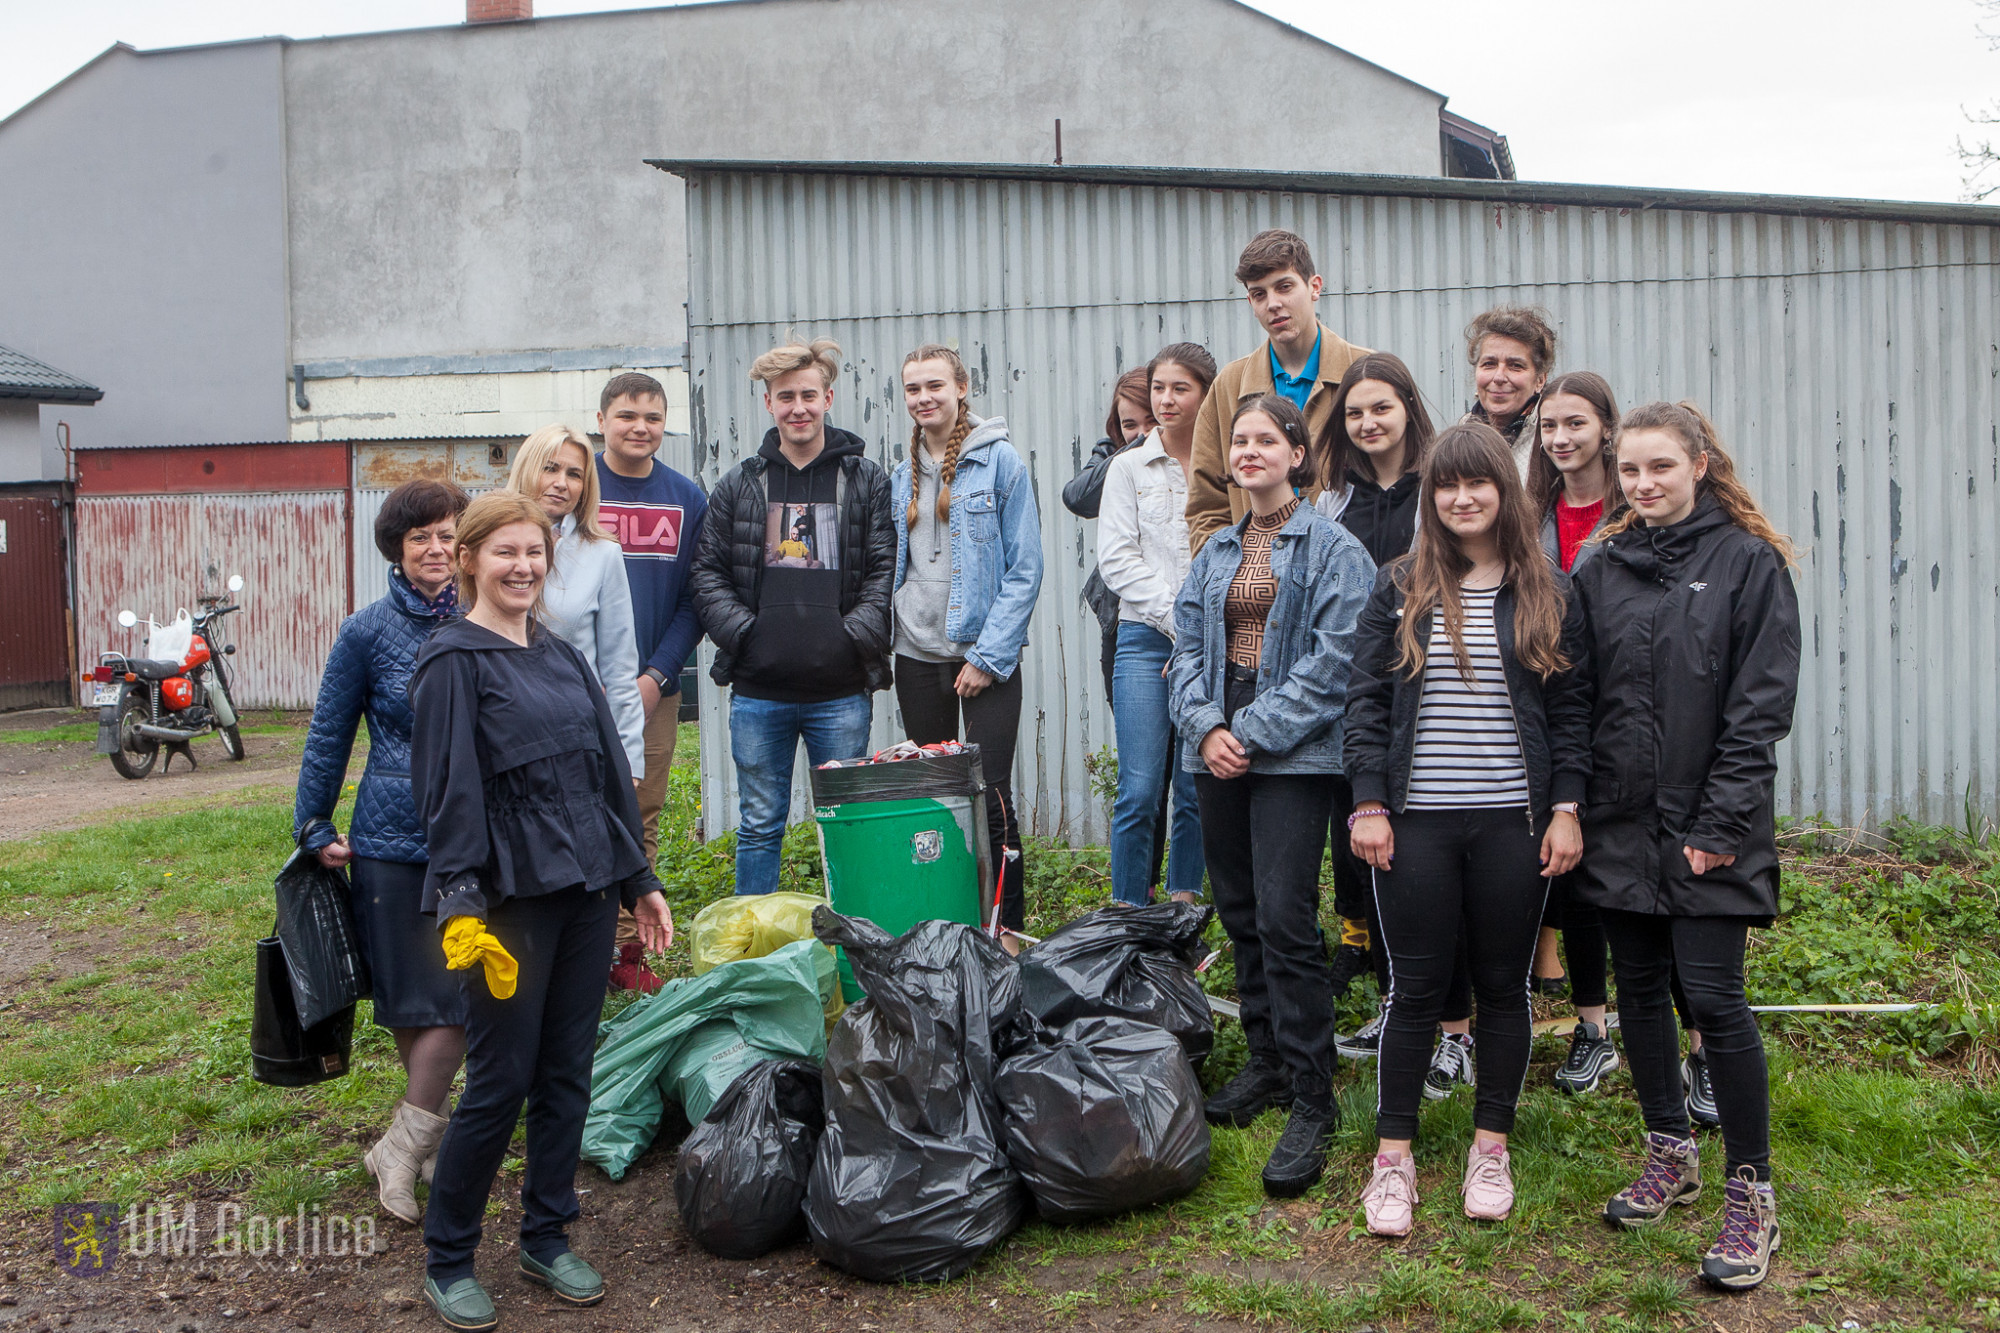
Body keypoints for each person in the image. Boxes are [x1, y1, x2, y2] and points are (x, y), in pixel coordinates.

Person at [411, 492, 673, 1331]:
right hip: (508, 904)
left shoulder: (563, 657)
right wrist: (459, 901)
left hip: (588, 892)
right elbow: (446, 793)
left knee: (567, 1074)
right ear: (470, 561)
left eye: (534, 553)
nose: (522, 566)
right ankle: (448, 1255)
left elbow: (606, 781)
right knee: (500, 1080)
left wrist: (639, 881)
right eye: (505, 553)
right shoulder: (453, 661)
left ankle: (546, 1234)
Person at [1343, 422, 1592, 1238]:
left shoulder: (1548, 589)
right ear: (1432, 496)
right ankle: (1394, 1159)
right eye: (1446, 486)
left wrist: (1566, 806)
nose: (1461, 498)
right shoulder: (1400, 584)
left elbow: (1570, 714)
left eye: (1476, 483)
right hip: (1415, 823)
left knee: (1503, 987)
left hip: (1512, 825)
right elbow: (1366, 704)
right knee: (1413, 991)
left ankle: (1491, 1147)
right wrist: (1369, 801)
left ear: (1504, 491)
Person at [1572, 401, 1799, 1291]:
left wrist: (1717, 827)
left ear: (1700, 464)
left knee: (1714, 996)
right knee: (1636, 991)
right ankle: (1670, 1148)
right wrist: (1575, 811)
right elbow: (1580, 699)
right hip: (1619, 827)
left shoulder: (1748, 564)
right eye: (1630, 470)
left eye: (1660, 467)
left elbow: (1760, 710)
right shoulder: (1602, 568)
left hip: (1712, 828)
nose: (1643, 483)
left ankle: (1751, 1191)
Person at [1168, 394, 1374, 1197]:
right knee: (1241, 906)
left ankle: (1313, 1094)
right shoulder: (1216, 549)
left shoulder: (1333, 549)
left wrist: (1249, 729)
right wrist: (1208, 725)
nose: (1250, 450)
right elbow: (1184, 649)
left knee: (1287, 915)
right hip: (1215, 742)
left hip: (1290, 753)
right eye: (1241, 441)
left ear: (1297, 452)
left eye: (1267, 439)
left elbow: (1335, 662)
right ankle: (1266, 1063)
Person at [294, 479, 471, 1227]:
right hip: (392, 836)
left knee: (464, 994)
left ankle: (400, 1145)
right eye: (420, 537)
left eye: (446, 534)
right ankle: (424, 1142)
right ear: (397, 551)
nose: (436, 549)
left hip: (476, 835)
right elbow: (329, 733)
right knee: (409, 995)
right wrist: (312, 823)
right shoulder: (365, 631)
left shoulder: (489, 612)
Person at [690, 338, 894, 896]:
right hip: (759, 693)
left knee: (845, 828)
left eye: (808, 395)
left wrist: (850, 636)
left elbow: (883, 568)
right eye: (786, 397)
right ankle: (754, 957)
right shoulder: (740, 484)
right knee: (759, 827)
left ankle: (855, 952)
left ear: (828, 399)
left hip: (841, 692)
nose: (797, 407)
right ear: (768, 405)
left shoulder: (865, 480)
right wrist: (748, 636)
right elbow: (707, 573)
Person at [890, 343, 1045, 939]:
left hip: (983, 658)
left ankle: (1005, 932)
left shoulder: (1000, 463)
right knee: (936, 799)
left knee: (991, 796)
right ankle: (948, 926)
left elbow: (1024, 569)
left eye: (934, 385)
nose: (923, 398)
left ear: (961, 387)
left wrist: (987, 656)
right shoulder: (900, 473)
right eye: (912, 389)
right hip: (915, 654)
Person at [1313, 353, 1435, 1034]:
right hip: (1352, 690)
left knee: (1412, 848)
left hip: (1418, 687)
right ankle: (1385, 985)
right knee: (1357, 833)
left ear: (1409, 410)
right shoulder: (1334, 498)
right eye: (1355, 412)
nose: (1368, 422)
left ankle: (1422, 1002)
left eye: (1381, 407)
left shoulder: (1437, 487)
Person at [593, 372, 707, 991]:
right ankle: (579, 940)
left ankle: (626, 951)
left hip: (651, 687)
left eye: (653, 418)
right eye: (628, 415)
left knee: (641, 810)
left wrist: (658, 676)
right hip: (572, 685)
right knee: (573, 804)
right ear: (603, 419)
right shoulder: (578, 485)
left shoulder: (685, 497)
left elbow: (695, 600)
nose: (640, 427)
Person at [1528, 372, 1625, 1093]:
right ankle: (1592, 1028)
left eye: (1575, 423)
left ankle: (1695, 1044)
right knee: (1574, 879)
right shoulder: (1531, 511)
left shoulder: (1634, 509)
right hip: (1548, 713)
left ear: (1605, 428)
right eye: (1550, 426)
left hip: (1621, 714)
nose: (1561, 438)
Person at [1098, 343, 1217, 907]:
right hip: (1145, 637)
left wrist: (1203, 631)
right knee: (1140, 788)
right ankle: (1126, 918)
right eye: (1159, 389)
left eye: (1180, 389)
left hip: (1217, 643)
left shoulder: (1225, 463)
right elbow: (1117, 558)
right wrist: (1178, 619)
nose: (1165, 400)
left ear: (1206, 394)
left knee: (1194, 787)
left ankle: (1183, 914)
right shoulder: (1128, 466)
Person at [1186, 230, 1370, 554]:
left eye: (1285, 287)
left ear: (1314, 287)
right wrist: (1230, 577)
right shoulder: (1229, 386)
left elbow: (1400, 485)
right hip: (1254, 592)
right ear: (1250, 303)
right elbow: (1206, 504)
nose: (1274, 304)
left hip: (1346, 585)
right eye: (1259, 294)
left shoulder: (1365, 373)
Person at [507, 424, 645, 779]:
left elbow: (619, 668)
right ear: (526, 469)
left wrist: (627, 763)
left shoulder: (603, 554)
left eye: (574, 474)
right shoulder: (485, 544)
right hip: (501, 732)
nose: (561, 483)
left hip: (574, 737)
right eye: (550, 468)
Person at [1065, 368, 1156, 702]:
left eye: (1152, 421)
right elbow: (1077, 497)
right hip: (1121, 616)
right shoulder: (1111, 453)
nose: (1141, 433)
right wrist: (1135, 449)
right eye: (1129, 425)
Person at [1460, 306, 1556, 482]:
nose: (1499, 377)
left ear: (1540, 380)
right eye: (1489, 364)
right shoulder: (1460, 436)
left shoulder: (1553, 441)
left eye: (1515, 366)